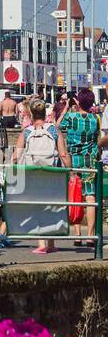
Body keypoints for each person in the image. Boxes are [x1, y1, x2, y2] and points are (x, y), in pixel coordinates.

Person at [13, 98, 71, 255]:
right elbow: (63, 153)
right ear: (45, 113)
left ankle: (41, 243)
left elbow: (15, 156)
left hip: (33, 173)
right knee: (52, 206)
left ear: (31, 113)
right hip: (52, 173)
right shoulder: (53, 130)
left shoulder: (27, 132)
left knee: (37, 206)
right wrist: (71, 170)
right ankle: (51, 243)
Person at [57, 88, 101, 253]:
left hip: (74, 160)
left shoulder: (71, 117)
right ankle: (90, 235)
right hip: (89, 160)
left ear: (78, 101)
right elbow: (96, 137)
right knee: (90, 196)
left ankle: (77, 235)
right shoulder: (95, 119)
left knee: (75, 194)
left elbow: (57, 127)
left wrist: (67, 108)